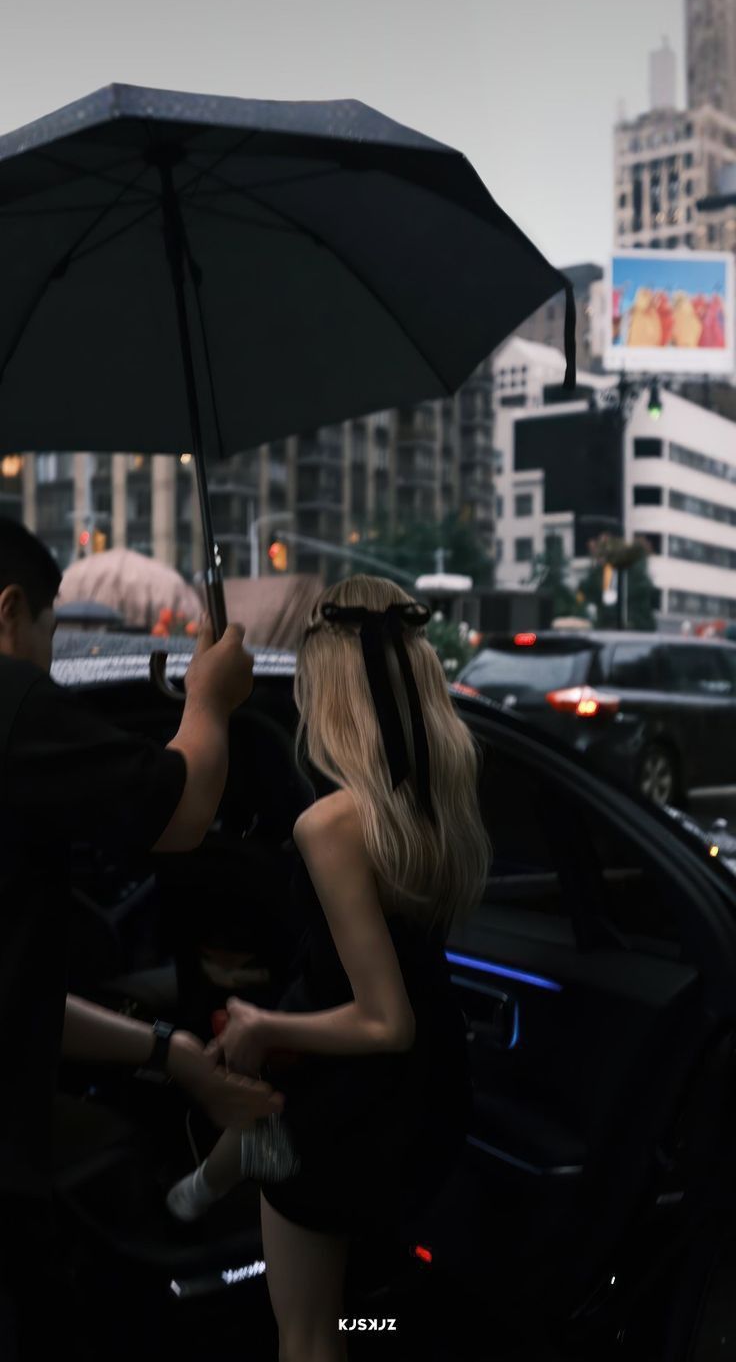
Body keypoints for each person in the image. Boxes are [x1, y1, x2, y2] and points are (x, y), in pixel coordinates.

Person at [166, 574, 491, 1362]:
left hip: (349, 1097)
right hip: (428, 1085)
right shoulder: (435, 799)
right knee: (352, 1314)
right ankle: (245, 1147)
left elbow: (383, 1018)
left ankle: (248, 1146)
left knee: (309, 1335)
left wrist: (257, 1022)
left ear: (327, 684)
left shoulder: (330, 822)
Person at [0, 519, 285, 1359]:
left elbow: (15, 1000)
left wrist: (175, 1054)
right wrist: (209, 697)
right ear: (11, 610)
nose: (52, 655)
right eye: (53, 630)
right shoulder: (12, 705)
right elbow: (184, 811)